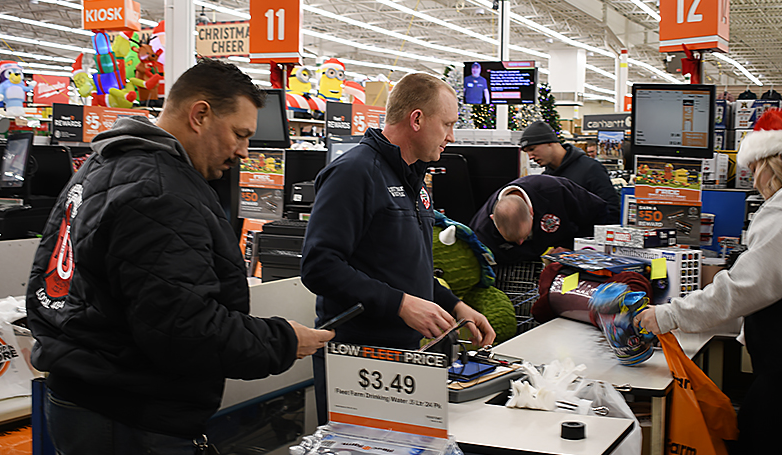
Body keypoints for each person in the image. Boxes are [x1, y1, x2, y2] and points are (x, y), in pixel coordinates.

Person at [26, 59, 334, 455]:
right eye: (239, 134)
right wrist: (283, 340)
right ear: (200, 115)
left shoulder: (105, 165)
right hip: (130, 416)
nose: (243, 151)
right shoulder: (160, 192)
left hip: (92, 398)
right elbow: (185, 330)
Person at [301, 72, 497, 425]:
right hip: (357, 358)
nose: (451, 137)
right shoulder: (354, 173)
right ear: (417, 119)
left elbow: (405, 267)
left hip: (400, 357)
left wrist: (454, 306)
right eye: (447, 124)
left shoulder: (412, 179)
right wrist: (401, 305)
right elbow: (319, 265)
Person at [633, 108, 782, 454]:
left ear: (772, 161)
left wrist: (668, 315)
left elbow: (747, 285)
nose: (753, 181)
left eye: (754, 169)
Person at [469, 175, 608, 265]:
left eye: (523, 236)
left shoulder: (556, 191)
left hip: (570, 259)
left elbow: (600, 214)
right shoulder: (482, 230)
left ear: (531, 212)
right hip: (516, 270)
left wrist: (572, 247)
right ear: (493, 220)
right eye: (513, 240)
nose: (521, 243)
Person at [519, 120, 620, 224]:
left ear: (550, 142)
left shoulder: (591, 169)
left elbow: (610, 210)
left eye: (532, 149)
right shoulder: (546, 177)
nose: (530, 157)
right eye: (527, 152)